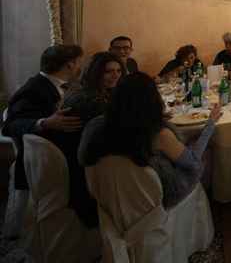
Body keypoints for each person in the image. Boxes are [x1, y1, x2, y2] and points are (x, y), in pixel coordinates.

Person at [79, 73, 220, 209]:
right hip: (158, 200)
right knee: (206, 151)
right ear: (153, 99)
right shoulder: (158, 134)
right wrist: (210, 124)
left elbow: (84, 160)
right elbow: (194, 164)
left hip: (110, 198)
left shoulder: (94, 126)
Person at [2, 45, 95, 226]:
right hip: (48, 161)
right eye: (79, 63)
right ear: (69, 65)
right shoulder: (35, 88)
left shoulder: (60, 85)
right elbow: (9, 126)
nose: (80, 67)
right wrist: (44, 122)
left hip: (61, 149)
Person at [63, 52, 126, 121]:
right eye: (108, 71)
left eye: (118, 71)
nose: (115, 76)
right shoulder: (89, 100)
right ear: (95, 73)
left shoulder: (106, 93)